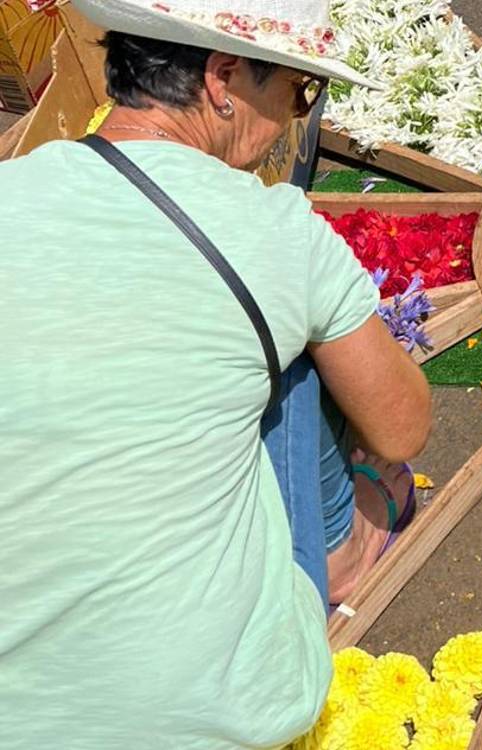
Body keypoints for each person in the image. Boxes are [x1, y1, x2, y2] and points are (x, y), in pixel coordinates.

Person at [0, 0, 433, 744]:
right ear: (224, 77)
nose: (296, 117)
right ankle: (342, 550)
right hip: (216, 707)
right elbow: (403, 427)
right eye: (298, 92)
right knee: (295, 348)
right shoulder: (272, 232)